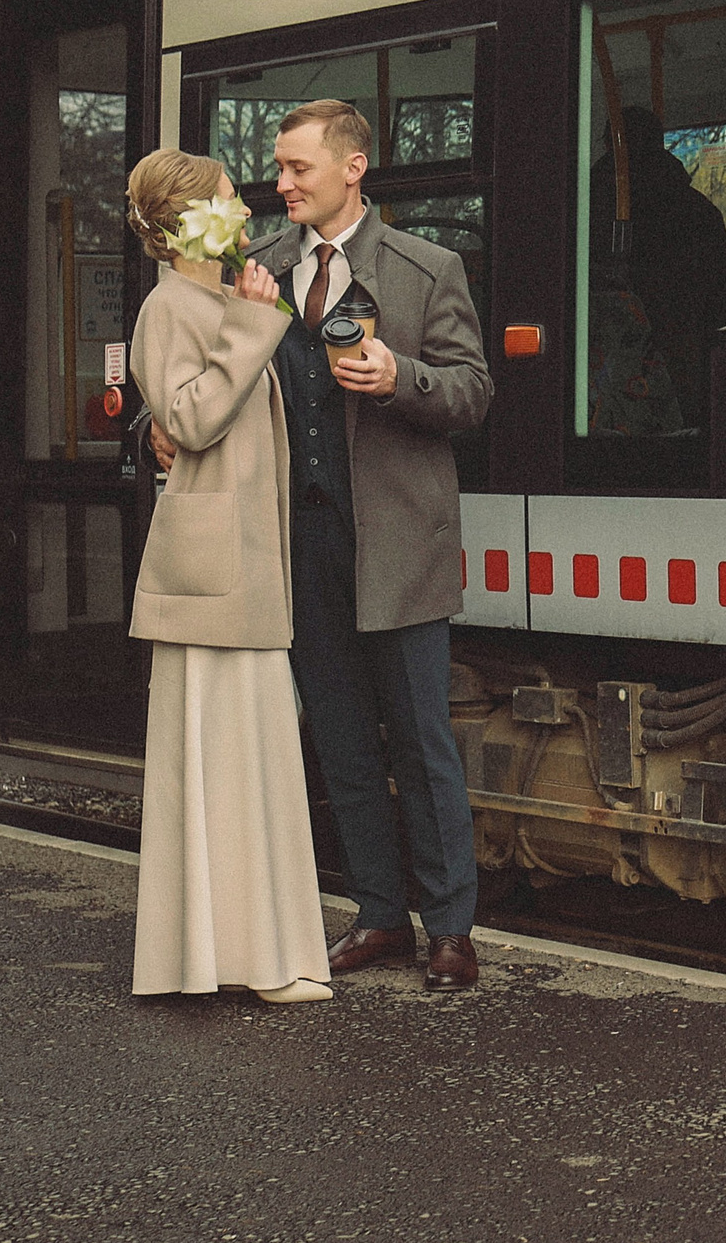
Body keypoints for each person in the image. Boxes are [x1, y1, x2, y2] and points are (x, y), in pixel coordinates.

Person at [151, 101, 493, 990]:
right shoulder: (253, 271)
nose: (281, 183)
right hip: (294, 542)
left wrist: (401, 377)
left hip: (399, 544)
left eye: (299, 167)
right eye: (277, 167)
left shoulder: (429, 268)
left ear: (354, 168)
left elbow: (474, 394)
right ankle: (380, 917)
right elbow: (198, 376)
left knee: (421, 741)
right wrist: (155, 431)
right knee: (339, 739)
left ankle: (451, 928)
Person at [123, 149, 331, 1005]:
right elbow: (191, 418)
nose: (245, 207)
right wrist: (253, 328)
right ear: (190, 222)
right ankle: (239, 960)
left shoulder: (211, 298)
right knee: (231, 761)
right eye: (228, 198)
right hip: (214, 574)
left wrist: (247, 320)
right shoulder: (172, 304)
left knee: (248, 760)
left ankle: (245, 955)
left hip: (234, 567)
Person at [586, 104, 726, 427]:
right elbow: (725, 304)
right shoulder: (701, 213)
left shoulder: (583, 212)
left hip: (598, 391)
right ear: (660, 144)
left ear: (607, 146)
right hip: (685, 380)